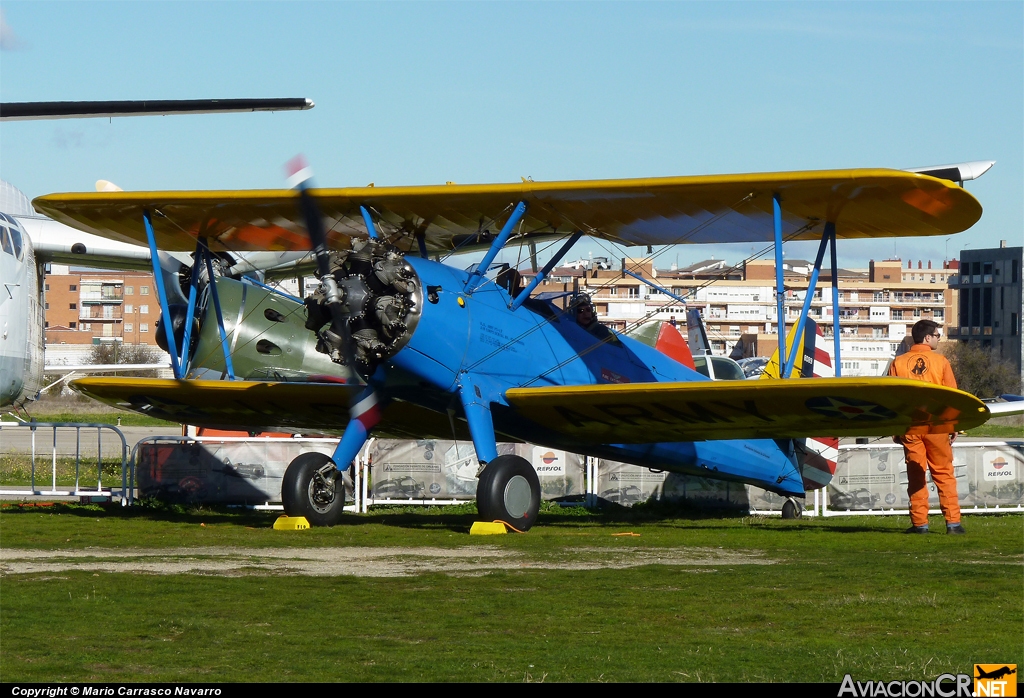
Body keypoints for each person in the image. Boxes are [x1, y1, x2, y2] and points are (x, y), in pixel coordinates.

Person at [888, 319, 965, 534]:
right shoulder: (941, 361)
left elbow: (892, 398)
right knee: (944, 474)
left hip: (911, 427)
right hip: (937, 426)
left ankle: (920, 524)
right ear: (927, 337)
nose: (939, 339)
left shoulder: (898, 362)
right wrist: (953, 425)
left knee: (916, 475)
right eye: (937, 335)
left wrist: (896, 427)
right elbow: (952, 397)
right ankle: (953, 523)